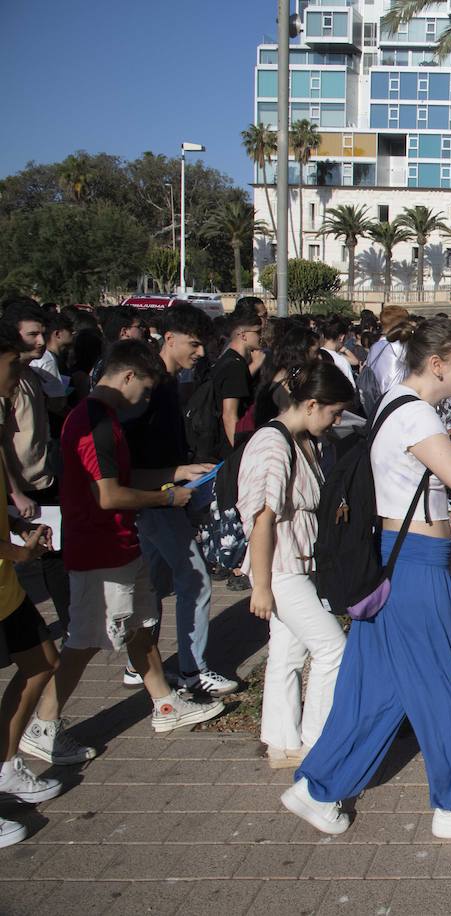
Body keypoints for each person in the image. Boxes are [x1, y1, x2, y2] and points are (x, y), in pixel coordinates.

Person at [283, 318, 451, 839]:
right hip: (416, 565)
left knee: (375, 690)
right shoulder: (416, 414)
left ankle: (317, 789)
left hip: (396, 561)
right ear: (438, 363)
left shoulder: (395, 405)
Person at [21, 341, 223, 768]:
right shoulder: (94, 423)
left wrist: (176, 473)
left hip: (117, 545)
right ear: (127, 376)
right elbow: (109, 495)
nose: (145, 401)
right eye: (145, 390)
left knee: (138, 626)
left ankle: (165, 703)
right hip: (99, 549)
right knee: (87, 639)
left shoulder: (104, 421)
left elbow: (121, 477)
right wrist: (167, 499)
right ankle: (44, 724)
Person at [239, 362, 353, 770]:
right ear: (310, 404)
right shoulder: (275, 443)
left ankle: (282, 740)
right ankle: (315, 742)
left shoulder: (295, 438)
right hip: (282, 566)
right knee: (332, 649)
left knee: (287, 652)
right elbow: (262, 518)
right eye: (333, 412)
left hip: (291, 563)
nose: (336, 421)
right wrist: (262, 585)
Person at [123, 305, 240, 696]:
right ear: (168, 338)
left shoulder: (169, 382)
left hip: (163, 495)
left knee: (153, 583)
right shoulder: (149, 386)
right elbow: (131, 458)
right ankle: (192, 670)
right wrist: (173, 479)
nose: (201, 353)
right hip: (157, 499)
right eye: (194, 344)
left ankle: (137, 661)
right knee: (195, 580)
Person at [0, 332, 66, 848]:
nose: (15, 376)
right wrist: (21, 552)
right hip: (6, 571)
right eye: (9, 366)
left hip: (7, 589)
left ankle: (6, 765)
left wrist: (15, 527)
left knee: (42, 662)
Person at [0, 303, 68, 638]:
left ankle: (71, 622)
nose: (41, 340)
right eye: (33, 334)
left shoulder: (31, 376)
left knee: (55, 551)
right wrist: (14, 490)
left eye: (43, 332)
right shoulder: (6, 384)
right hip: (21, 487)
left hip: (43, 477)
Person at [204, 311, 264, 459]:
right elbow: (229, 414)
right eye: (258, 332)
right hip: (228, 448)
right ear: (243, 335)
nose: (261, 336)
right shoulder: (235, 366)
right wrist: (240, 454)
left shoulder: (229, 360)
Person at [318, 316, 359, 388]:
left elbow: (355, 361)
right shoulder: (340, 361)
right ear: (341, 337)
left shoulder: (316, 354)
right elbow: (351, 389)